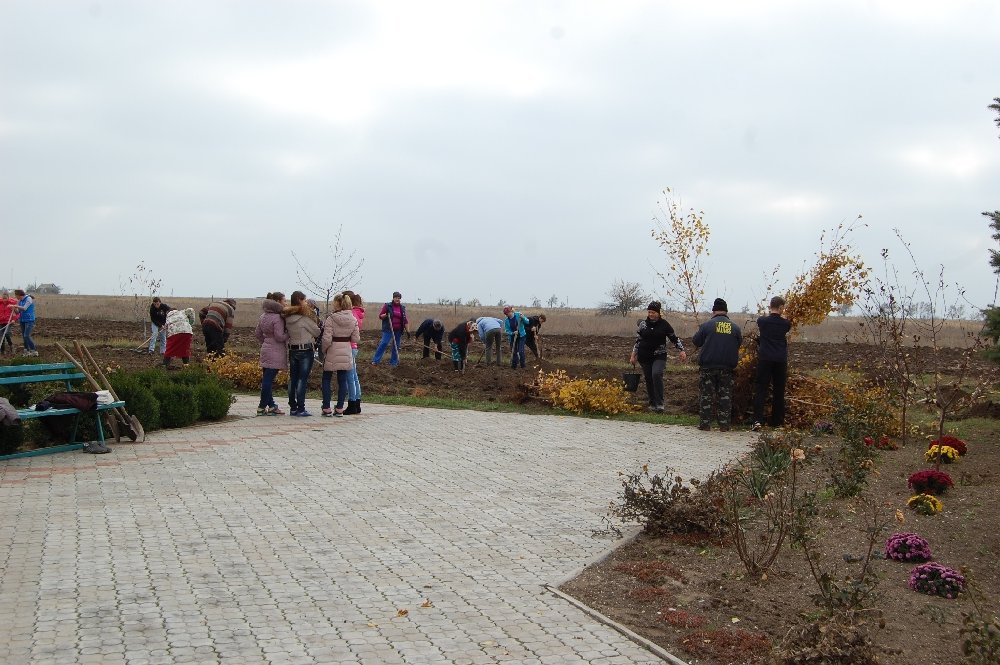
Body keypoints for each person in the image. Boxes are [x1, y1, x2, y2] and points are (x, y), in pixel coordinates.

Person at [692, 298, 743, 431]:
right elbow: (739, 343)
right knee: (725, 396)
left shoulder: (707, 325)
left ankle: (705, 424)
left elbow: (696, 341)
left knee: (706, 395)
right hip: (727, 367)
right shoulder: (735, 328)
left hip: (708, 366)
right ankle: (724, 425)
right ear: (726, 311)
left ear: (713, 311)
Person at [629, 302, 687, 412]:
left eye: (653, 312)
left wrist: (681, 350)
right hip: (644, 356)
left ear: (658, 313)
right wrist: (633, 355)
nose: (651, 314)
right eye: (649, 312)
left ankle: (660, 403)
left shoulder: (664, 325)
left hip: (659, 355)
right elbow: (638, 341)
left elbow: (674, 338)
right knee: (649, 378)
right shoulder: (643, 325)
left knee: (656, 374)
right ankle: (652, 403)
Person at [753, 296, 792, 430]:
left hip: (765, 358)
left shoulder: (762, 321)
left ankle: (758, 420)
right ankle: (777, 421)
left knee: (761, 389)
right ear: (781, 307)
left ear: (770, 306)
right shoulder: (786, 324)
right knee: (779, 390)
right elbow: (785, 326)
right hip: (780, 360)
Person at [321, 293, 360, 417]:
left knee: (326, 378)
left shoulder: (331, 318)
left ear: (337, 304)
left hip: (332, 349)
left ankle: (326, 407)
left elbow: (326, 339)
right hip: (346, 350)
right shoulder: (353, 319)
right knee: (342, 380)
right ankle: (339, 408)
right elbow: (356, 338)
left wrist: (324, 350)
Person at [283, 291, 320, 417]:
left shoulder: (287, 317)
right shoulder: (304, 318)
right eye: (304, 300)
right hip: (305, 350)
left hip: (293, 350)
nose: (306, 302)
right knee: (302, 379)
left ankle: (293, 407)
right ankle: (301, 408)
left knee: (293, 378)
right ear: (300, 300)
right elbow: (316, 332)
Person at [254, 292, 289, 416]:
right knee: (268, 381)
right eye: (284, 300)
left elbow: (258, 333)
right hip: (276, 351)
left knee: (266, 379)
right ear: (278, 302)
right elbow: (279, 336)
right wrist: (288, 334)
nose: (286, 303)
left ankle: (272, 406)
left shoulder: (263, 316)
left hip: (265, 349)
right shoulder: (278, 318)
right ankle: (261, 406)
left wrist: (266, 341)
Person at [371, 291, 408, 366]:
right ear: (393, 298)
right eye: (396, 297)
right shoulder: (388, 306)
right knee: (384, 343)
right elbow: (380, 316)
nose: (397, 299)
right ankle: (375, 360)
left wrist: (408, 331)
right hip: (388, 328)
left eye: (399, 298)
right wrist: (384, 316)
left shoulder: (402, 308)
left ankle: (393, 362)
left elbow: (405, 320)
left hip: (398, 330)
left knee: (396, 345)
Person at [344, 292, 365, 414]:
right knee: (354, 376)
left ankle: (352, 402)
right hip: (353, 346)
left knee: (350, 377)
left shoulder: (352, 314)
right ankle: (357, 401)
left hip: (349, 346)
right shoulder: (358, 313)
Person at [12, 289, 36, 356]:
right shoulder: (20, 301)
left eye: (16, 295)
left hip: (29, 320)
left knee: (26, 335)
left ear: (19, 295)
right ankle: (26, 351)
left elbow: (24, 308)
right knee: (24, 336)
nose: (15, 297)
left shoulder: (28, 299)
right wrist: (14, 309)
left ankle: (34, 351)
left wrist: (16, 306)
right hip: (22, 320)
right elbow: (18, 312)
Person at [0, 290, 19, 356]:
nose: (4, 300)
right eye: (3, 298)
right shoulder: (0, 304)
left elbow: (17, 313)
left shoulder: (11, 305)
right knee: (1, 336)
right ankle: (2, 351)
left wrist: (14, 319)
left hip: (9, 322)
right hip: (1, 322)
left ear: (8, 298)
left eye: (5, 298)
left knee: (6, 334)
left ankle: (11, 346)